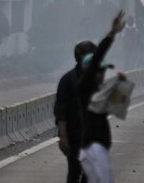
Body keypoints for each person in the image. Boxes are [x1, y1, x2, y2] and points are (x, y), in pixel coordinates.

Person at [77, 11, 125, 183]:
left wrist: (120, 87)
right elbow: (97, 59)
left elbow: (117, 108)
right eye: (99, 70)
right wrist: (111, 35)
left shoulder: (98, 91)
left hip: (97, 149)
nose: (103, 73)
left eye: (104, 70)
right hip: (94, 149)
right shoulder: (84, 87)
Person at [54, 40, 96, 183]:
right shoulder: (67, 80)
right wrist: (63, 136)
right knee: (75, 170)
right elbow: (61, 110)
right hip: (74, 135)